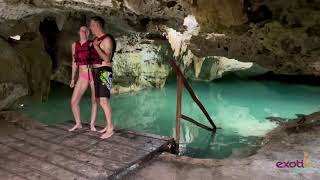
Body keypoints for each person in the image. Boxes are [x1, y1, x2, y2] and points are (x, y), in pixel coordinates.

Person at [89, 16, 116, 139]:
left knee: (104, 101)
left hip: (105, 71)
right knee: (101, 101)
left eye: (92, 25)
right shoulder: (96, 39)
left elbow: (107, 59)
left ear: (97, 25)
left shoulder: (107, 39)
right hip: (96, 71)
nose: (90, 28)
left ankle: (110, 129)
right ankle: (108, 125)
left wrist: (95, 47)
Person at [69, 26, 98, 132]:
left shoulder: (92, 44)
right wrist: (72, 79)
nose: (84, 32)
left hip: (94, 75)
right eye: (82, 30)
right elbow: (74, 63)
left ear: (88, 33)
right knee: (73, 101)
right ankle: (78, 123)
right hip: (83, 76)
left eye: (86, 31)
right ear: (78, 32)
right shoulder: (74, 45)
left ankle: (92, 125)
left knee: (94, 100)